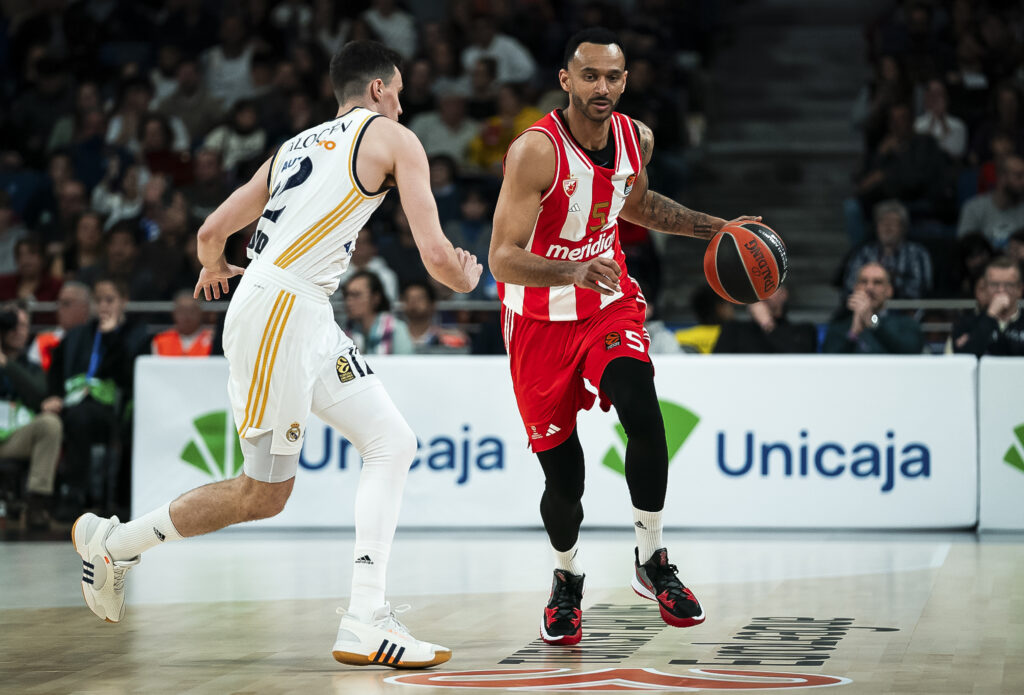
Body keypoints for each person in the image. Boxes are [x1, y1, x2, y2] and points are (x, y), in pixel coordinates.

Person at [71, 41, 481, 669]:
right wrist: (466, 276)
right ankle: (115, 543)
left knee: (392, 443)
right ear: (376, 90)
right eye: (397, 90)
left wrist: (216, 267)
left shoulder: (293, 146)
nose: (403, 102)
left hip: (299, 310)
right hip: (282, 309)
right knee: (264, 494)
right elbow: (437, 259)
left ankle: (366, 617)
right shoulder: (396, 139)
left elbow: (211, 233)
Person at [488, 28, 758, 645]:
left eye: (613, 77)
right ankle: (566, 577)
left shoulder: (639, 138)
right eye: (590, 76)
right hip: (536, 320)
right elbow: (502, 258)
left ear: (625, 81)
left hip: (608, 303)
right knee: (565, 483)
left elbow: (633, 204)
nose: (602, 87)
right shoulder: (536, 151)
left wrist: (721, 229)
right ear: (566, 81)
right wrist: (570, 268)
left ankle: (652, 558)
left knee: (642, 403)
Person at [0, 302, 63, 530]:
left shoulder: (31, 366)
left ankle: (37, 503)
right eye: (12, 324)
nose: (18, 330)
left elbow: (39, 396)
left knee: (50, 423)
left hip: (13, 438)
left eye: (24, 325)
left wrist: (6, 364)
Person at [822, 262, 924, 354]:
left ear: (889, 290)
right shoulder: (839, 326)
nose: (869, 288)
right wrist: (853, 333)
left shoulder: (906, 324)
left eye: (877, 282)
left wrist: (872, 320)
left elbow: (911, 351)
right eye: (864, 282)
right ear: (856, 288)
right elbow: (829, 363)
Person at [842, 199, 933, 299]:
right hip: (868, 309)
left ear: (903, 227)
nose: (887, 227)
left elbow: (921, 289)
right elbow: (850, 286)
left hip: (904, 310)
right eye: (882, 222)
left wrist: (890, 283)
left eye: (893, 222)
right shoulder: (864, 253)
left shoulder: (917, 254)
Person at [950, 256, 1024, 356]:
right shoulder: (966, 323)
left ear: (1020, 289)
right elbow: (964, 357)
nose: (1001, 290)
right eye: (994, 284)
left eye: (1008, 285)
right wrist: (990, 315)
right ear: (985, 288)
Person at [714, 286, 818, 354]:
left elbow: (800, 363)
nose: (763, 293)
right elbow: (717, 366)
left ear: (784, 294)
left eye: (770, 286)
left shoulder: (804, 331)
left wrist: (767, 324)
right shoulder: (734, 330)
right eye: (757, 287)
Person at [957, 154, 1024, 250]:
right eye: (1019, 176)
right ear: (1002, 177)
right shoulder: (974, 208)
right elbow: (966, 249)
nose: (1023, 181)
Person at [342, 270, 414, 355]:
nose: (349, 301)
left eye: (356, 295)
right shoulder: (343, 332)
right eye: (347, 295)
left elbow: (405, 365)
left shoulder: (396, 328)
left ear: (375, 298)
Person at [27, 281, 92, 372]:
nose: (59, 309)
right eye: (58, 303)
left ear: (85, 307)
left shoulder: (97, 338)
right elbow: (33, 377)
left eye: (66, 303)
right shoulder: (44, 339)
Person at [400, 280, 469, 353]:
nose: (413, 303)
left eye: (419, 299)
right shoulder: (395, 336)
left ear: (432, 304)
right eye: (409, 299)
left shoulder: (445, 337)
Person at [151, 291, 213, 357]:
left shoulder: (213, 339)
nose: (187, 316)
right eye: (182, 311)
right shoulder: (161, 341)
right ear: (174, 313)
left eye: (192, 311)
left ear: (201, 313)